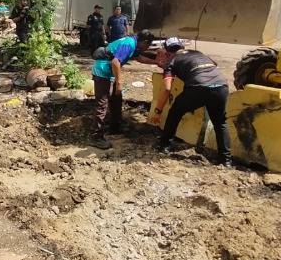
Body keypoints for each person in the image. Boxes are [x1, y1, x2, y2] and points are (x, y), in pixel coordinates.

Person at [149, 37, 232, 168]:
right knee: (220, 122)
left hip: (198, 87)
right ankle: (225, 160)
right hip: (221, 86)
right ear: (181, 47)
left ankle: (164, 145)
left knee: (175, 112)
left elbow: (167, 88)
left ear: (167, 52)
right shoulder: (197, 53)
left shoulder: (172, 61)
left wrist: (158, 111)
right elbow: (213, 64)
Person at [89, 29, 155, 149]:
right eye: (148, 45)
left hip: (109, 72)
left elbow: (139, 58)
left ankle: (115, 126)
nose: (147, 48)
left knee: (116, 98)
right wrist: (119, 82)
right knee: (102, 103)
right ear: (144, 41)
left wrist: (156, 62)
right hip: (103, 71)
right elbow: (115, 62)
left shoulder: (133, 43)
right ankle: (96, 136)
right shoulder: (129, 44)